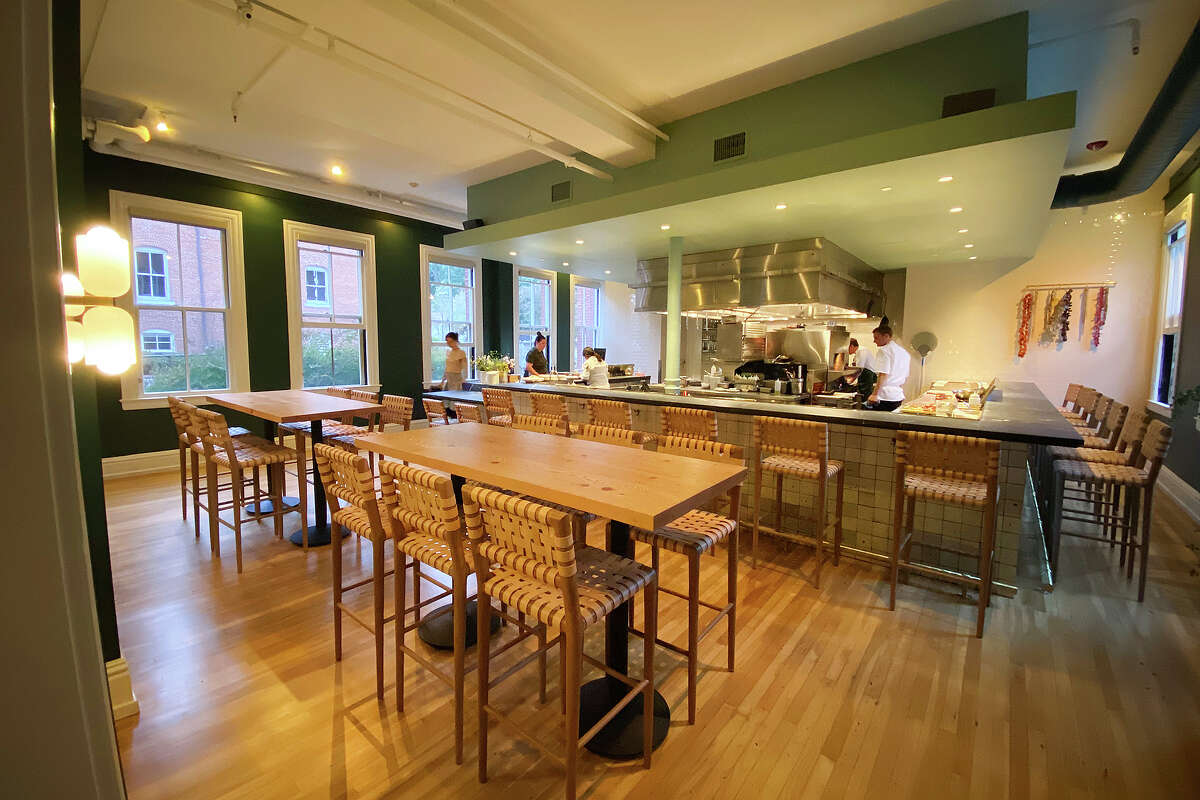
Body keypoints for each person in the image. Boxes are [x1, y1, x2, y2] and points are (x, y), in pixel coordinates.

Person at [865, 323, 910, 412]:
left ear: (886, 336)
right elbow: (904, 376)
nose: (874, 341)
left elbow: (883, 374)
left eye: (876, 338)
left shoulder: (884, 351)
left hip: (884, 397)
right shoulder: (903, 352)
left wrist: (874, 394)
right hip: (897, 396)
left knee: (878, 424)